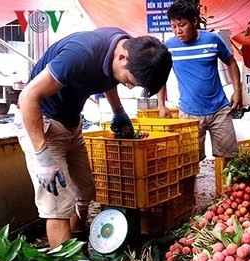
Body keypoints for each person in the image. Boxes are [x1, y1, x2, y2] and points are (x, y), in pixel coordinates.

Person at [15, 27, 172, 249]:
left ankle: (78, 243)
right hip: (42, 123)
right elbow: (28, 96)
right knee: (59, 203)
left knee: (85, 189)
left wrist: (119, 111)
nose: (127, 85)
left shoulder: (124, 44)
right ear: (122, 57)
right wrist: (42, 155)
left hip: (71, 122)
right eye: (129, 80)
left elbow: (108, 77)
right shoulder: (80, 54)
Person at [157, 1, 242, 161]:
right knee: (189, 162)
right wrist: (161, 104)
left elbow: (231, 62)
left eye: (182, 25)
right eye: (173, 26)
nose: (178, 31)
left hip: (219, 111)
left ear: (195, 21)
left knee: (231, 160)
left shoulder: (212, 39)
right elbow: (161, 76)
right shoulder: (169, 47)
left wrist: (237, 92)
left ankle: (228, 187)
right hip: (188, 114)